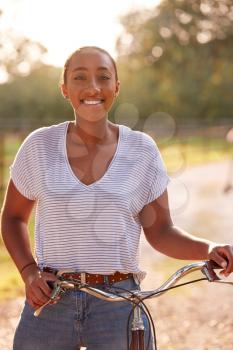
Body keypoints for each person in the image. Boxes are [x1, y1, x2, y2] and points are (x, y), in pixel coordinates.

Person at [1, 46, 233, 350]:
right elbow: (13, 217)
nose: (93, 87)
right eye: (80, 77)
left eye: (103, 77)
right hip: (51, 299)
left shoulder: (141, 149)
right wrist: (29, 273)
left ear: (116, 87)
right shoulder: (39, 145)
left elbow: (161, 231)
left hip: (119, 304)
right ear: (65, 88)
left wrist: (209, 248)